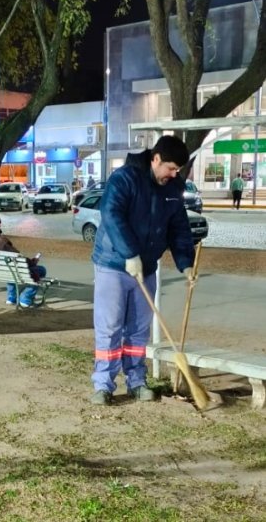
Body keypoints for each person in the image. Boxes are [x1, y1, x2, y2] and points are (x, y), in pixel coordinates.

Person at [90, 135, 196, 406]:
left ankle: (137, 381)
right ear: (156, 159)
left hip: (146, 268)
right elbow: (111, 214)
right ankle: (103, 385)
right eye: (170, 168)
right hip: (113, 265)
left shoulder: (173, 188)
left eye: (177, 170)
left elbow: (179, 227)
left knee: (138, 331)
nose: (174, 174)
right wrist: (129, 254)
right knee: (110, 328)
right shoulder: (125, 178)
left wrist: (186, 263)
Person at [0, 210, 47, 307]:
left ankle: (11, 298)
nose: (0, 225)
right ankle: (25, 298)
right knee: (41, 270)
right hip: (3, 271)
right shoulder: (0, 241)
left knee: (10, 269)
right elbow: (18, 258)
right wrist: (32, 262)